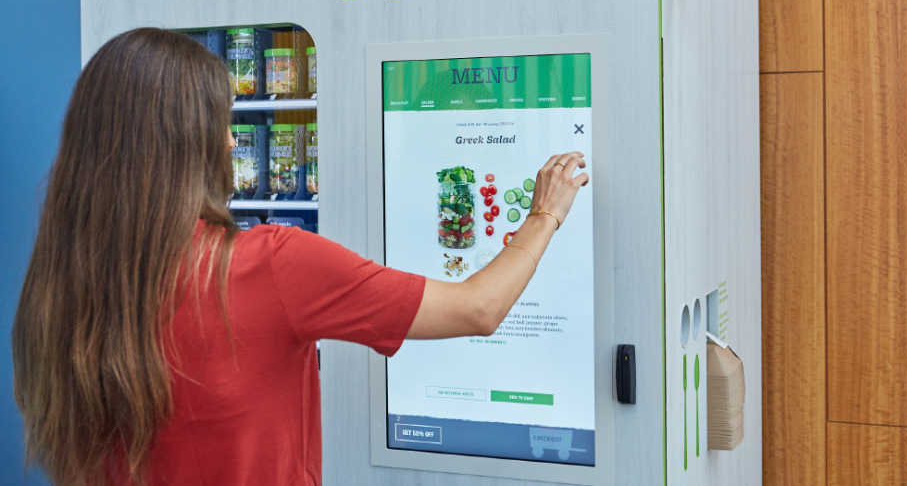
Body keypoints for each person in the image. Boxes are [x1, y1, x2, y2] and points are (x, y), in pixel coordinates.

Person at [11, 28, 589, 486]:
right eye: (222, 123)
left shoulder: (58, 284)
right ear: (185, 140)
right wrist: (546, 214)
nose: (233, 142)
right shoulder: (271, 266)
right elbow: (477, 309)